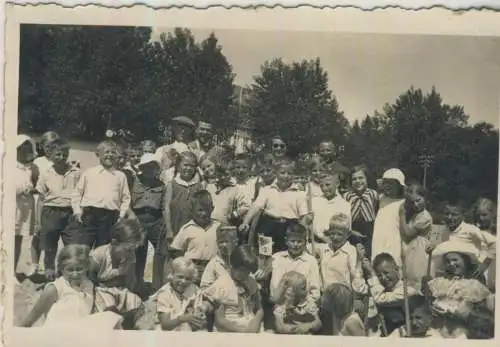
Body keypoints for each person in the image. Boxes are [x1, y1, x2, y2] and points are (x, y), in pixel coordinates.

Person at [20, 244, 136, 328]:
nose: (75, 274)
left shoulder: (88, 285)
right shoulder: (55, 289)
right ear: (61, 268)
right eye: (70, 270)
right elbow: (31, 318)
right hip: (58, 336)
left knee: (112, 318)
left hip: (81, 335)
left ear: (86, 267)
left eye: (79, 269)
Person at [67, 140, 131, 248]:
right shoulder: (89, 173)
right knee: (84, 248)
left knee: (103, 250)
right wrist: (77, 211)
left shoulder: (120, 176)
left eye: (113, 152)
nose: (109, 155)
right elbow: (77, 194)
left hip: (110, 217)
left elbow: (126, 198)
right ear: (98, 154)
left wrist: (121, 216)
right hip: (90, 215)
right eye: (106, 152)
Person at [423, 240, 492, 338]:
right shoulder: (438, 282)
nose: (451, 263)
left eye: (455, 260)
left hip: (462, 329)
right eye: (447, 261)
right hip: (437, 328)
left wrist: (464, 313)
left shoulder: (474, 285)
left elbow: (484, 316)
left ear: (466, 261)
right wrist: (432, 309)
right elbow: (426, 304)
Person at [240, 158, 309, 254]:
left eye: (289, 173)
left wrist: (301, 234)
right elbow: (256, 206)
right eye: (282, 173)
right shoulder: (267, 190)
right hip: (268, 227)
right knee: (265, 255)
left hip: (288, 228)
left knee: (286, 256)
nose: (286, 176)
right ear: (276, 173)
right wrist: (245, 222)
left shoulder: (299, 193)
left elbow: (304, 216)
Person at [36, 139, 81, 281]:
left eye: (64, 154)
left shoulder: (76, 172)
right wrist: (38, 221)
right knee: (50, 245)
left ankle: (65, 273)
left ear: (68, 154)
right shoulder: (46, 173)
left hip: (70, 212)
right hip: (50, 212)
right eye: (58, 154)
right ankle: (49, 273)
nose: (61, 157)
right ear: (51, 155)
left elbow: (80, 194)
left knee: (72, 245)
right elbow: (41, 198)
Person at [130, 153, 167, 292]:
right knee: (138, 253)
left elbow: (164, 206)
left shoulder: (161, 185)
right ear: (141, 168)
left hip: (155, 220)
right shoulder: (134, 181)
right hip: (137, 219)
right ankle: (136, 285)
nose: (149, 170)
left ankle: (158, 287)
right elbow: (126, 201)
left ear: (157, 169)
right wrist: (132, 218)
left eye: (153, 167)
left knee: (161, 252)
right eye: (146, 167)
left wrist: (163, 223)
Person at [206, 245, 264, 333]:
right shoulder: (221, 285)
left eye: (248, 272)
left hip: (251, 324)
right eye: (241, 270)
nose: (245, 274)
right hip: (231, 328)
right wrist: (244, 331)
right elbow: (220, 321)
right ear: (232, 265)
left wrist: (255, 323)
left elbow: (259, 309)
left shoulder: (251, 282)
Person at [436, 200, 496, 280]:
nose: (450, 217)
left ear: (463, 215)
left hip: (472, 271)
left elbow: (494, 243)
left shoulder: (470, 229)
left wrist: (484, 263)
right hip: (455, 271)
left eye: (454, 215)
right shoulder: (445, 232)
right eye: (447, 214)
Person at [361, 252, 419, 335]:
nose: (383, 278)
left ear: (396, 269)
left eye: (386, 273)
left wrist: (372, 274)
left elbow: (379, 299)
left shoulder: (407, 291)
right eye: (379, 275)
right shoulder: (381, 290)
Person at [170, 190, 220, 284]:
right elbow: (175, 251)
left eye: (207, 210)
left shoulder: (218, 227)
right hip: (193, 267)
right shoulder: (187, 229)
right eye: (200, 210)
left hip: (213, 267)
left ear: (212, 209)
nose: (204, 214)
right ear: (192, 209)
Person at [315, 213, 367, 294]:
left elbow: (356, 276)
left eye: (339, 234)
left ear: (348, 234)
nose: (335, 237)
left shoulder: (351, 251)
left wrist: (359, 260)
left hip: (344, 296)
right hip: (326, 295)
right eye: (332, 233)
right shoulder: (323, 248)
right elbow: (305, 245)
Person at [156, 257, 210, 331]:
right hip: (169, 331)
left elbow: (198, 311)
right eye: (180, 277)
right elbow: (165, 325)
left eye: (188, 278)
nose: (183, 281)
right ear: (172, 274)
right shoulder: (165, 293)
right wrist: (183, 319)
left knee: (202, 331)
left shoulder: (195, 290)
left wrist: (200, 316)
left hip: (189, 329)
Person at [398, 182, 433, 290]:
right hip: (410, 251)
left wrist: (402, 214)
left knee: (416, 281)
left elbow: (408, 234)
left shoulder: (425, 217)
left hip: (419, 252)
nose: (416, 205)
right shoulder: (415, 215)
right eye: (412, 202)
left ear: (425, 198)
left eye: (418, 200)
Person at [163, 151, 204, 242]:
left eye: (192, 166)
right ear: (178, 166)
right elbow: (166, 207)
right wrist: (169, 230)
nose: (188, 168)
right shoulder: (172, 184)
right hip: (175, 226)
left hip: (192, 228)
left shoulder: (198, 186)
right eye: (185, 165)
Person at [15, 135, 38, 279]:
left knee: (17, 238)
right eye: (21, 148)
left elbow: (37, 185)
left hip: (24, 207)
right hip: (10, 205)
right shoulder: (7, 163)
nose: (25, 152)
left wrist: (32, 189)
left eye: (28, 148)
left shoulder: (34, 168)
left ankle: (12, 272)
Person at [371, 168, 406, 265]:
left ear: (399, 185)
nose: (387, 185)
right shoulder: (380, 199)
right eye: (385, 183)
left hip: (393, 239)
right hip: (378, 238)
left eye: (391, 183)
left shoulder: (403, 203)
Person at [344, 165, 379, 258]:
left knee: (368, 256)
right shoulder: (347, 196)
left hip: (369, 230)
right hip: (352, 230)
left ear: (367, 179)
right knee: (353, 256)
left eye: (361, 178)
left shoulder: (373, 194)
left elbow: (376, 209)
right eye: (354, 179)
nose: (358, 181)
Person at [311, 173, 352, 243]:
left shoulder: (345, 205)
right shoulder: (314, 201)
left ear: (337, 184)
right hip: (316, 242)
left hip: (337, 242)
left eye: (327, 185)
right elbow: (309, 224)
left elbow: (347, 227)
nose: (324, 188)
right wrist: (321, 236)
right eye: (321, 186)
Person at [471, 198, 496, 292]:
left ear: (493, 214)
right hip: (479, 259)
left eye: (484, 215)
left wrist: (485, 264)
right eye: (478, 215)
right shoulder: (476, 230)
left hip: (492, 262)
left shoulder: (495, 231)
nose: (481, 218)